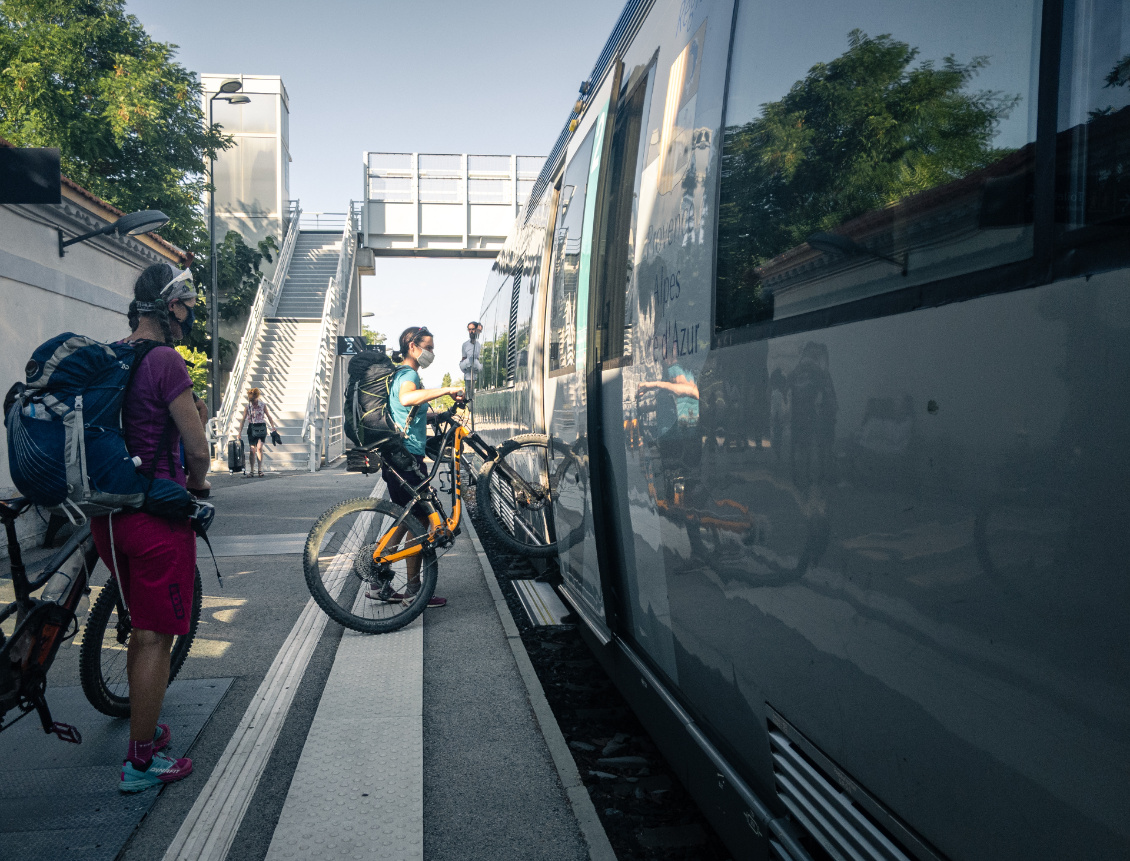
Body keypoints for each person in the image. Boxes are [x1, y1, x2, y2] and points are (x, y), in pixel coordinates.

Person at [90, 263, 210, 792]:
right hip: (156, 515)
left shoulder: (112, 353)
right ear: (167, 307)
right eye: (183, 304)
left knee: (141, 623)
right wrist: (199, 488)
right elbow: (198, 448)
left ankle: (144, 726)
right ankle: (140, 762)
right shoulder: (165, 360)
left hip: (108, 516)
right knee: (156, 636)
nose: (187, 314)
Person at [370, 325, 463, 608]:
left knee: (405, 518)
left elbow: (411, 412)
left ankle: (378, 582)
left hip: (399, 457)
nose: (431, 352)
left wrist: (442, 413)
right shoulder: (408, 374)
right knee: (420, 522)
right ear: (413, 347)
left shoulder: (402, 374)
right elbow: (407, 399)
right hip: (405, 459)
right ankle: (413, 591)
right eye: (429, 347)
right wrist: (446, 389)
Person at [239, 387, 277, 477]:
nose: (252, 402)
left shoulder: (263, 405)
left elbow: (268, 416)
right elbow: (243, 419)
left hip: (261, 427)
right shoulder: (247, 407)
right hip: (252, 427)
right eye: (250, 400)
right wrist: (239, 432)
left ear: (256, 397)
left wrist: (273, 427)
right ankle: (252, 470)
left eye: (253, 400)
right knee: (252, 450)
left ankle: (260, 469)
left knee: (259, 448)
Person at [459, 321, 483, 395]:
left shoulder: (480, 345)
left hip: (476, 373)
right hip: (468, 374)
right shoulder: (465, 345)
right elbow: (463, 358)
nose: (471, 331)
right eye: (469, 329)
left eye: (473, 329)